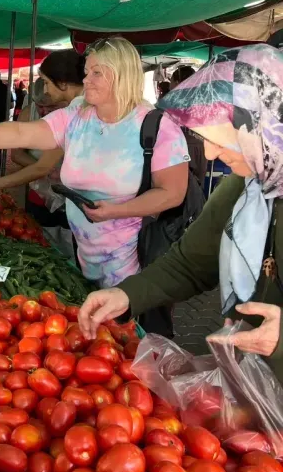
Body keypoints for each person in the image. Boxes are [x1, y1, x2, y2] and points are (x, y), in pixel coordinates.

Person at [76, 43, 283, 380]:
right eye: (205, 139)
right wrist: (126, 294)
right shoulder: (244, 187)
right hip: (253, 378)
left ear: (267, 126)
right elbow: (190, 263)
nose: (211, 155)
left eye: (224, 140)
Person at [0, 38, 190, 290]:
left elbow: (172, 193)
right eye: (86, 72)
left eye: (97, 73)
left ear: (123, 75)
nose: (86, 80)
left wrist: (117, 211)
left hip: (133, 260)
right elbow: (21, 133)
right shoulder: (77, 115)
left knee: (123, 312)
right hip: (85, 254)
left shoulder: (158, 127)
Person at [0, 51, 84, 254]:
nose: (45, 111)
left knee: (71, 245)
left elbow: (43, 165)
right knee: (47, 240)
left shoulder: (75, 113)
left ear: (63, 84)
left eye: (48, 83)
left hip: (76, 197)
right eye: (40, 106)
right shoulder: (60, 111)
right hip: (43, 190)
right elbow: (18, 138)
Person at [170, 65, 207, 187]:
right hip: (201, 146)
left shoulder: (174, 100)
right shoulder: (202, 97)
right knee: (197, 186)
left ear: (177, 82)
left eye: (171, 81)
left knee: (181, 186)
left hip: (181, 145)